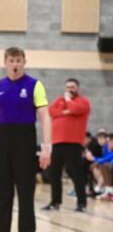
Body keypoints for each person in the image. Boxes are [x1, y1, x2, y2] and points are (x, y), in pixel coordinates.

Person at [0, 47, 51, 232]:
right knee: (4, 194)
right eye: (11, 60)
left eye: (18, 60)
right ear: (5, 62)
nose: (15, 64)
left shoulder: (34, 85)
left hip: (25, 141)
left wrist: (47, 147)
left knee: (25, 193)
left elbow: (45, 117)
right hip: (3, 141)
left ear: (24, 62)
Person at [43, 78, 91, 212]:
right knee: (54, 173)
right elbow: (51, 111)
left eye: (72, 87)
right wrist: (66, 112)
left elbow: (76, 109)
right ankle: (55, 202)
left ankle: (82, 203)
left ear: (77, 88)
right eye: (68, 87)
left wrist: (69, 103)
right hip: (58, 142)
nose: (70, 89)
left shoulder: (83, 102)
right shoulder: (59, 100)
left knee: (76, 174)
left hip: (73, 143)